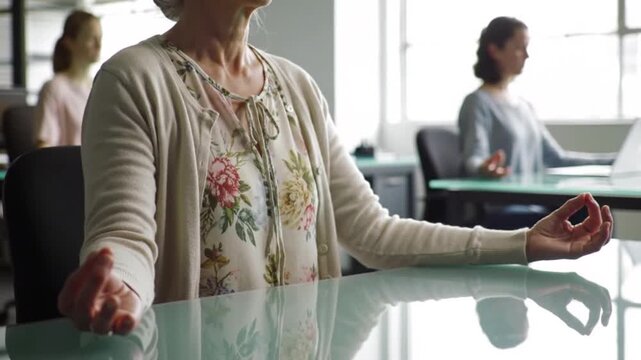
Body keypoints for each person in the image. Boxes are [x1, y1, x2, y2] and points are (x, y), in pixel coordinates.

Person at [57, 1, 614, 336]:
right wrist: (120, 284)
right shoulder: (134, 79)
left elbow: (373, 233)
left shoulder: (298, 87)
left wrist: (522, 242)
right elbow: (125, 236)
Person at [458, 16, 615, 179]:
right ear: (494, 50)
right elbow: (474, 158)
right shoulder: (477, 103)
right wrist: (484, 167)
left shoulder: (524, 106)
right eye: (520, 48)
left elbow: (556, 158)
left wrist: (615, 160)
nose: (526, 55)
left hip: (534, 202)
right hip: (504, 202)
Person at [34, 10, 102, 147]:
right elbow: (44, 148)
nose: (98, 45)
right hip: (68, 167)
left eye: (100, 38)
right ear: (70, 42)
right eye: (91, 38)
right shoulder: (54, 88)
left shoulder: (99, 87)